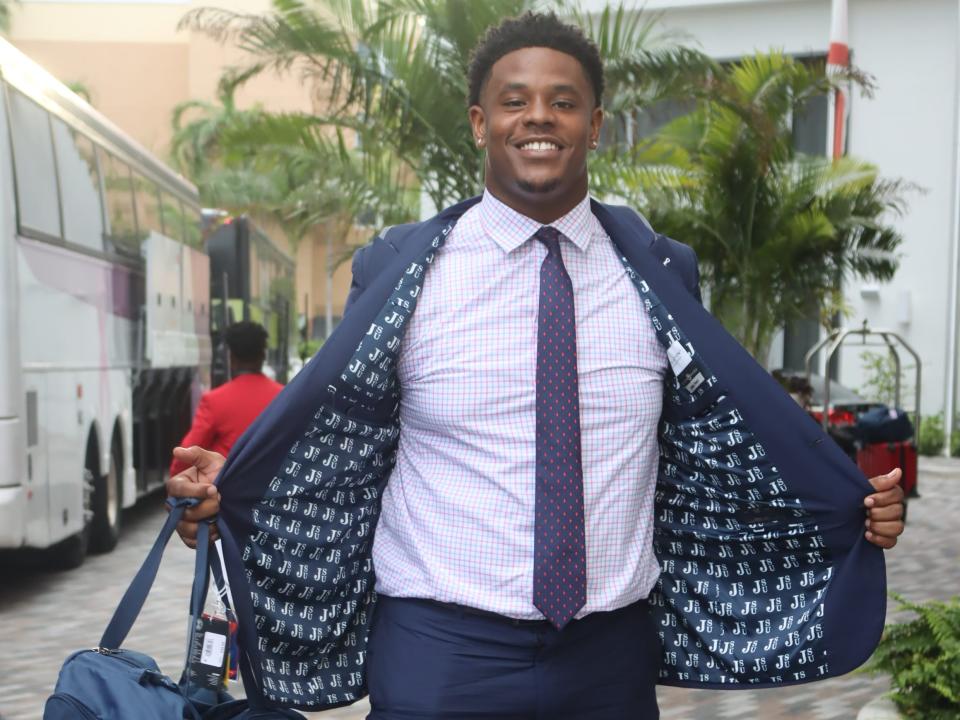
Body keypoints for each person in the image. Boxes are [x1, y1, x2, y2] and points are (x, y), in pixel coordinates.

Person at [167, 13, 905, 719]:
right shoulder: (403, 274)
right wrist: (225, 495)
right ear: (481, 124)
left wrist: (847, 505)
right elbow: (335, 444)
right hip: (439, 654)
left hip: (608, 658)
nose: (539, 118)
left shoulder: (661, 277)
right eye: (513, 101)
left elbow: (713, 453)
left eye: (564, 102)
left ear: (596, 125)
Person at [169, 321, 283, 477]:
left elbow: (187, 454)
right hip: (273, 491)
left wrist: (176, 479)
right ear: (263, 355)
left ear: (231, 357)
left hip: (227, 493)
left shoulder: (214, 400)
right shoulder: (284, 397)